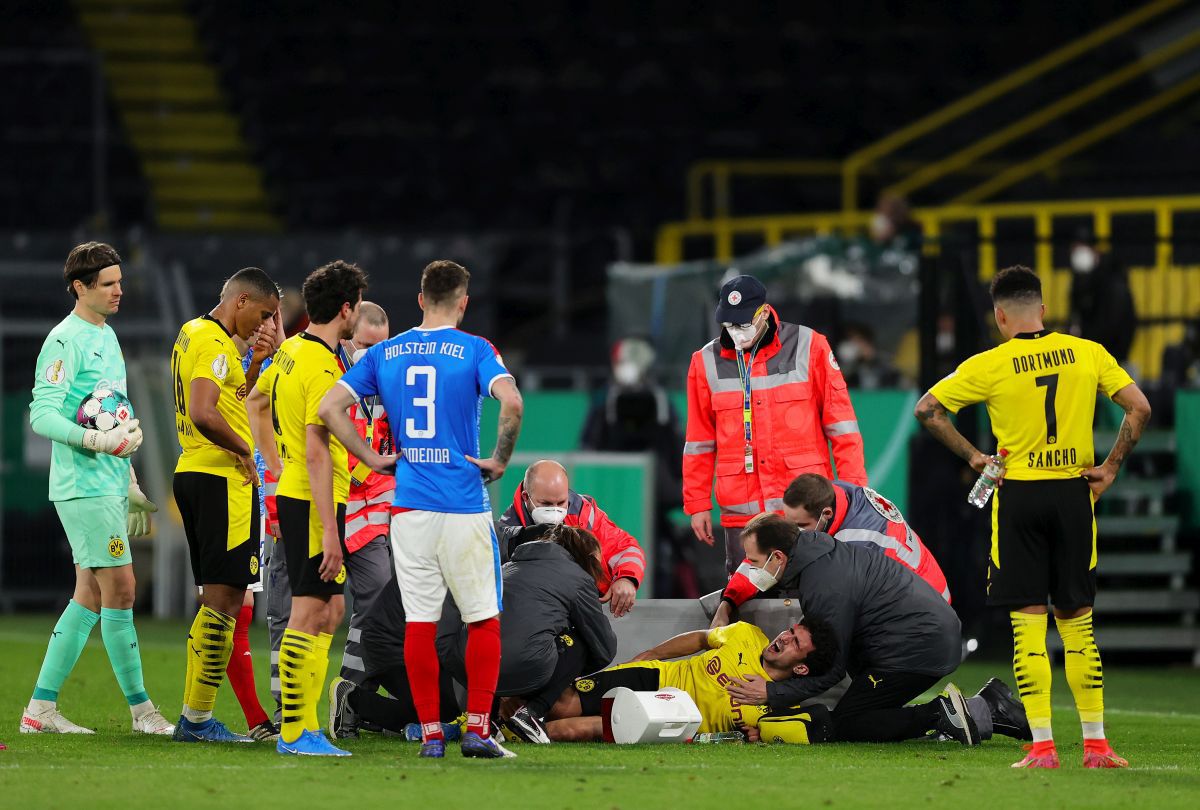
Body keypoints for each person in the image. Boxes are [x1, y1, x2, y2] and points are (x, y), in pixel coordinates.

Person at [915, 264, 1152, 769]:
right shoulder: (1087, 353)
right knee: (1078, 626)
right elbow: (1139, 408)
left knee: (1028, 626)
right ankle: (1097, 745)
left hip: (1019, 495)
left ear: (1000, 316)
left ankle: (1043, 746)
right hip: (1073, 494)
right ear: (1043, 310)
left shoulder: (990, 363)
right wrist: (1109, 467)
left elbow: (928, 409)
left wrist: (975, 457)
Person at [320, 259, 524, 760]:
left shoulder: (386, 352)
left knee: (419, 622)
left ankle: (431, 734)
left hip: (408, 506)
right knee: (482, 618)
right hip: (461, 503)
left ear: (418, 300)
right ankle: (477, 729)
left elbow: (328, 409)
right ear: (463, 303)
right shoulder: (476, 349)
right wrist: (499, 459)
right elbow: (512, 402)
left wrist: (369, 456)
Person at [20, 241, 172, 737]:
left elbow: (114, 410)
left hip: (106, 482)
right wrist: (96, 439)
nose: (118, 291)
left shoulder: (107, 335)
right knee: (122, 589)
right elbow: (42, 413)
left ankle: (40, 710)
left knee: (88, 593)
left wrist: (127, 472)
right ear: (80, 287)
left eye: (120, 282)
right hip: (81, 485)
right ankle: (142, 711)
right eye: (107, 284)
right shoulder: (64, 341)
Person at [722, 514, 1029, 746]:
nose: (750, 569)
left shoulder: (825, 586)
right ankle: (990, 708)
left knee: (850, 722)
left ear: (778, 557)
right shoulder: (817, 557)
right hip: (918, 636)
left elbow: (832, 669)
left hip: (918, 646)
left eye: (753, 561)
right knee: (866, 708)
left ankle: (945, 712)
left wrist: (771, 692)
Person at [250, 302, 395, 726]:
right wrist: (274, 487)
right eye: (366, 345)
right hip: (304, 504)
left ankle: (348, 694)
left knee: (359, 600)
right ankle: (289, 713)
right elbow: (294, 437)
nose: (372, 354)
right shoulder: (316, 365)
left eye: (380, 347)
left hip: (359, 511)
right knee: (293, 608)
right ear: (347, 332)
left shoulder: (382, 383)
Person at [684, 274, 867, 575]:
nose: (735, 332)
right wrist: (698, 503)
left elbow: (842, 428)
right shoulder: (704, 361)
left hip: (803, 509)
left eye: (743, 324)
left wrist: (853, 497)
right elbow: (699, 440)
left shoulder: (811, 346)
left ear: (765, 313)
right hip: (742, 514)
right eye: (729, 324)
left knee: (811, 595)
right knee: (747, 599)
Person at [170, 266, 280, 744]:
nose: (265, 324)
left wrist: (254, 364)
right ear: (240, 301)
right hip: (221, 480)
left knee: (217, 601)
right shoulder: (214, 342)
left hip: (193, 472)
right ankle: (196, 720)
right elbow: (203, 411)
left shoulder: (195, 334)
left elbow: (228, 397)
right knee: (226, 601)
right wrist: (242, 450)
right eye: (264, 314)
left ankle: (195, 715)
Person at [439, 525, 618, 744]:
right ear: (587, 557)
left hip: (466, 668)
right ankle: (532, 712)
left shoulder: (504, 569)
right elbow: (604, 648)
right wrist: (561, 677)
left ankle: (491, 719)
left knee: (507, 635)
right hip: (521, 666)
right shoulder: (578, 578)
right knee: (580, 640)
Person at [543, 618, 837, 743]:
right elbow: (699, 638)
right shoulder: (746, 633)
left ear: (800, 669)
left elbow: (800, 726)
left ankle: (511, 732)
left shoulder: (777, 704)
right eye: (790, 631)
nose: (784, 638)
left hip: (671, 720)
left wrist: (754, 736)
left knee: (565, 730)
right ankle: (505, 708)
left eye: (796, 643)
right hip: (657, 677)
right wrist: (653, 652)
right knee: (561, 706)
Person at [716, 473, 949, 625]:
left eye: (800, 526)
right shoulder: (824, 499)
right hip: (908, 593)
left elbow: (839, 612)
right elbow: (767, 550)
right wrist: (729, 602)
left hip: (927, 610)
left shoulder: (859, 542)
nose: (795, 532)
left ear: (825, 515)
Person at [581, 337, 695, 598]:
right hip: (611, 494)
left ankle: (655, 595)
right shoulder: (604, 401)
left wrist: (676, 484)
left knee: (657, 551)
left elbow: (676, 445)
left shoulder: (660, 400)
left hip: (654, 496)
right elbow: (588, 446)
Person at [497, 460, 645, 617]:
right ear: (526, 497)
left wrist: (626, 578)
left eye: (561, 502)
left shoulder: (586, 514)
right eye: (546, 503)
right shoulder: (508, 536)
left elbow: (627, 549)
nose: (555, 510)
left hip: (591, 609)